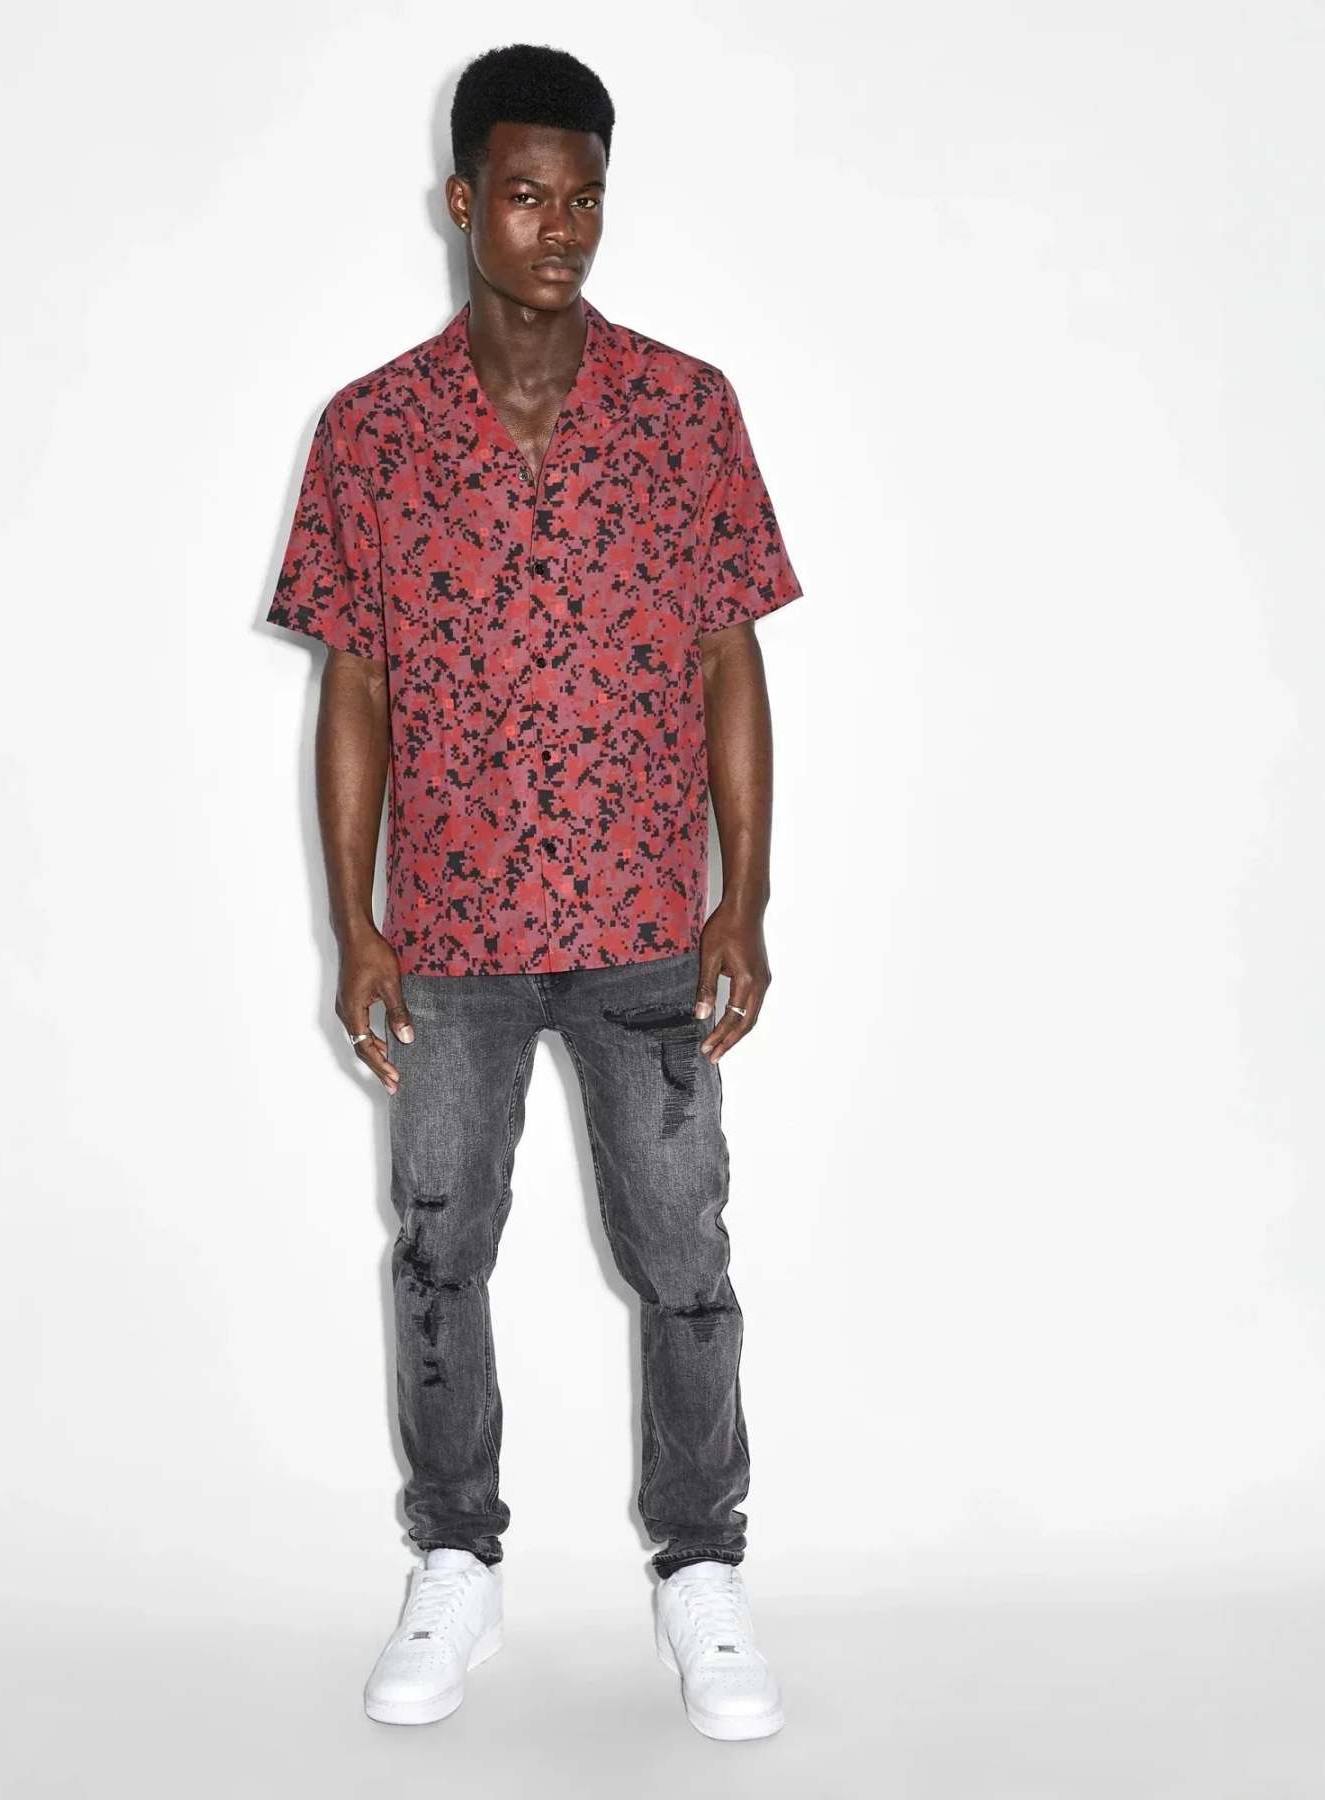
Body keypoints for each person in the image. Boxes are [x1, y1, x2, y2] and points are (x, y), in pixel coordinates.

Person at [265, 42, 803, 1742]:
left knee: (685, 1256)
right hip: (454, 932)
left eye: (583, 198)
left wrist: (743, 896)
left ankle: (702, 1567)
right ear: (461, 202)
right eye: (524, 194)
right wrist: (356, 923)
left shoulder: (686, 410)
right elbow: (353, 686)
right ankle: (455, 1558)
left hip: (645, 921)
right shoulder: (371, 432)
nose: (558, 227)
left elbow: (730, 662)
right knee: (441, 1251)